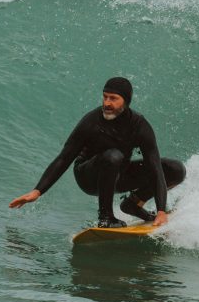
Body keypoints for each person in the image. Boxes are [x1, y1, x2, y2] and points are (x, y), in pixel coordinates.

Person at [10, 77, 186, 228]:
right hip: (88, 176)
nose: (107, 103)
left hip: (118, 175)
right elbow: (64, 158)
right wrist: (37, 191)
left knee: (175, 169)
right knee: (113, 156)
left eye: (113, 98)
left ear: (126, 101)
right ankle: (105, 217)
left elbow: (154, 167)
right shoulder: (91, 122)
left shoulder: (139, 126)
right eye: (105, 97)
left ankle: (133, 204)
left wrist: (161, 210)